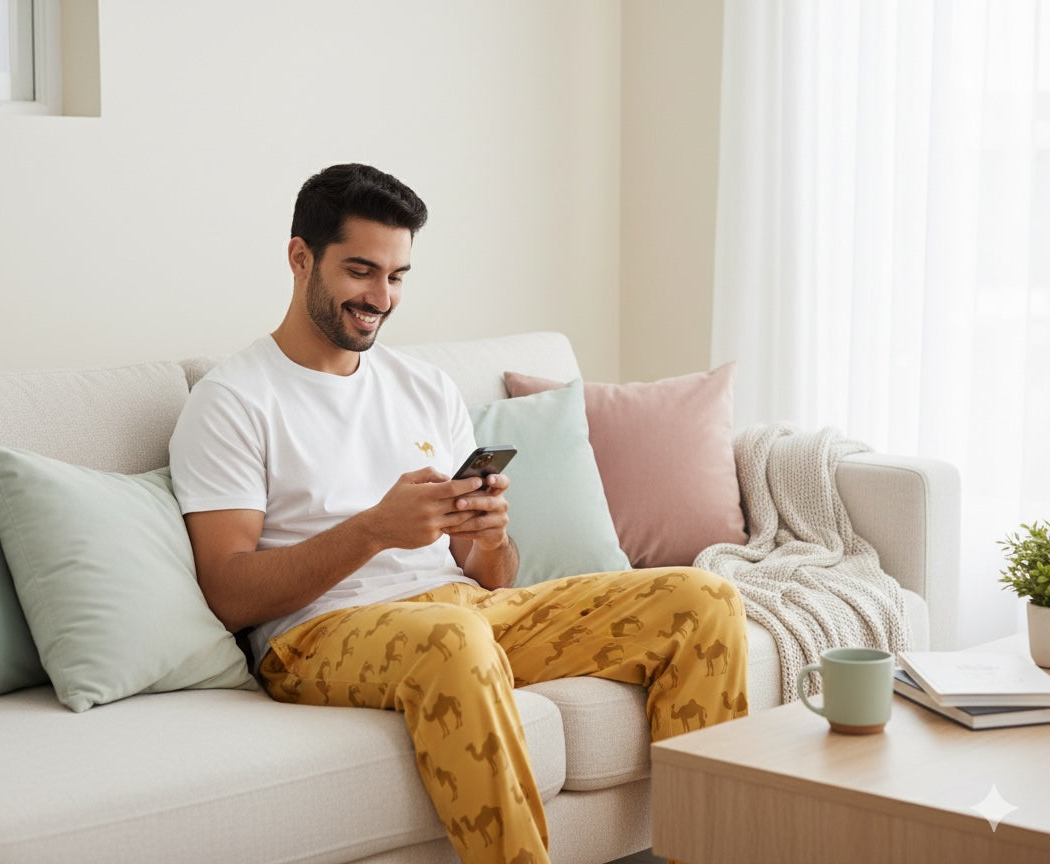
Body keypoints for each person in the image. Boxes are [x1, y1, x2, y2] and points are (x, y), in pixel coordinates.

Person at [168, 163, 748, 864]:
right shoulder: (234, 399)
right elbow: (228, 593)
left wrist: (490, 537)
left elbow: (494, 578)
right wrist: (375, 529)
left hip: (460, 610)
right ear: (300, 258)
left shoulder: (421, 386)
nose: (381, 297)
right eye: (361, 271)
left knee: (703, 599)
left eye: (398, 276)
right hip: (316, 635)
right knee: (451, 638)